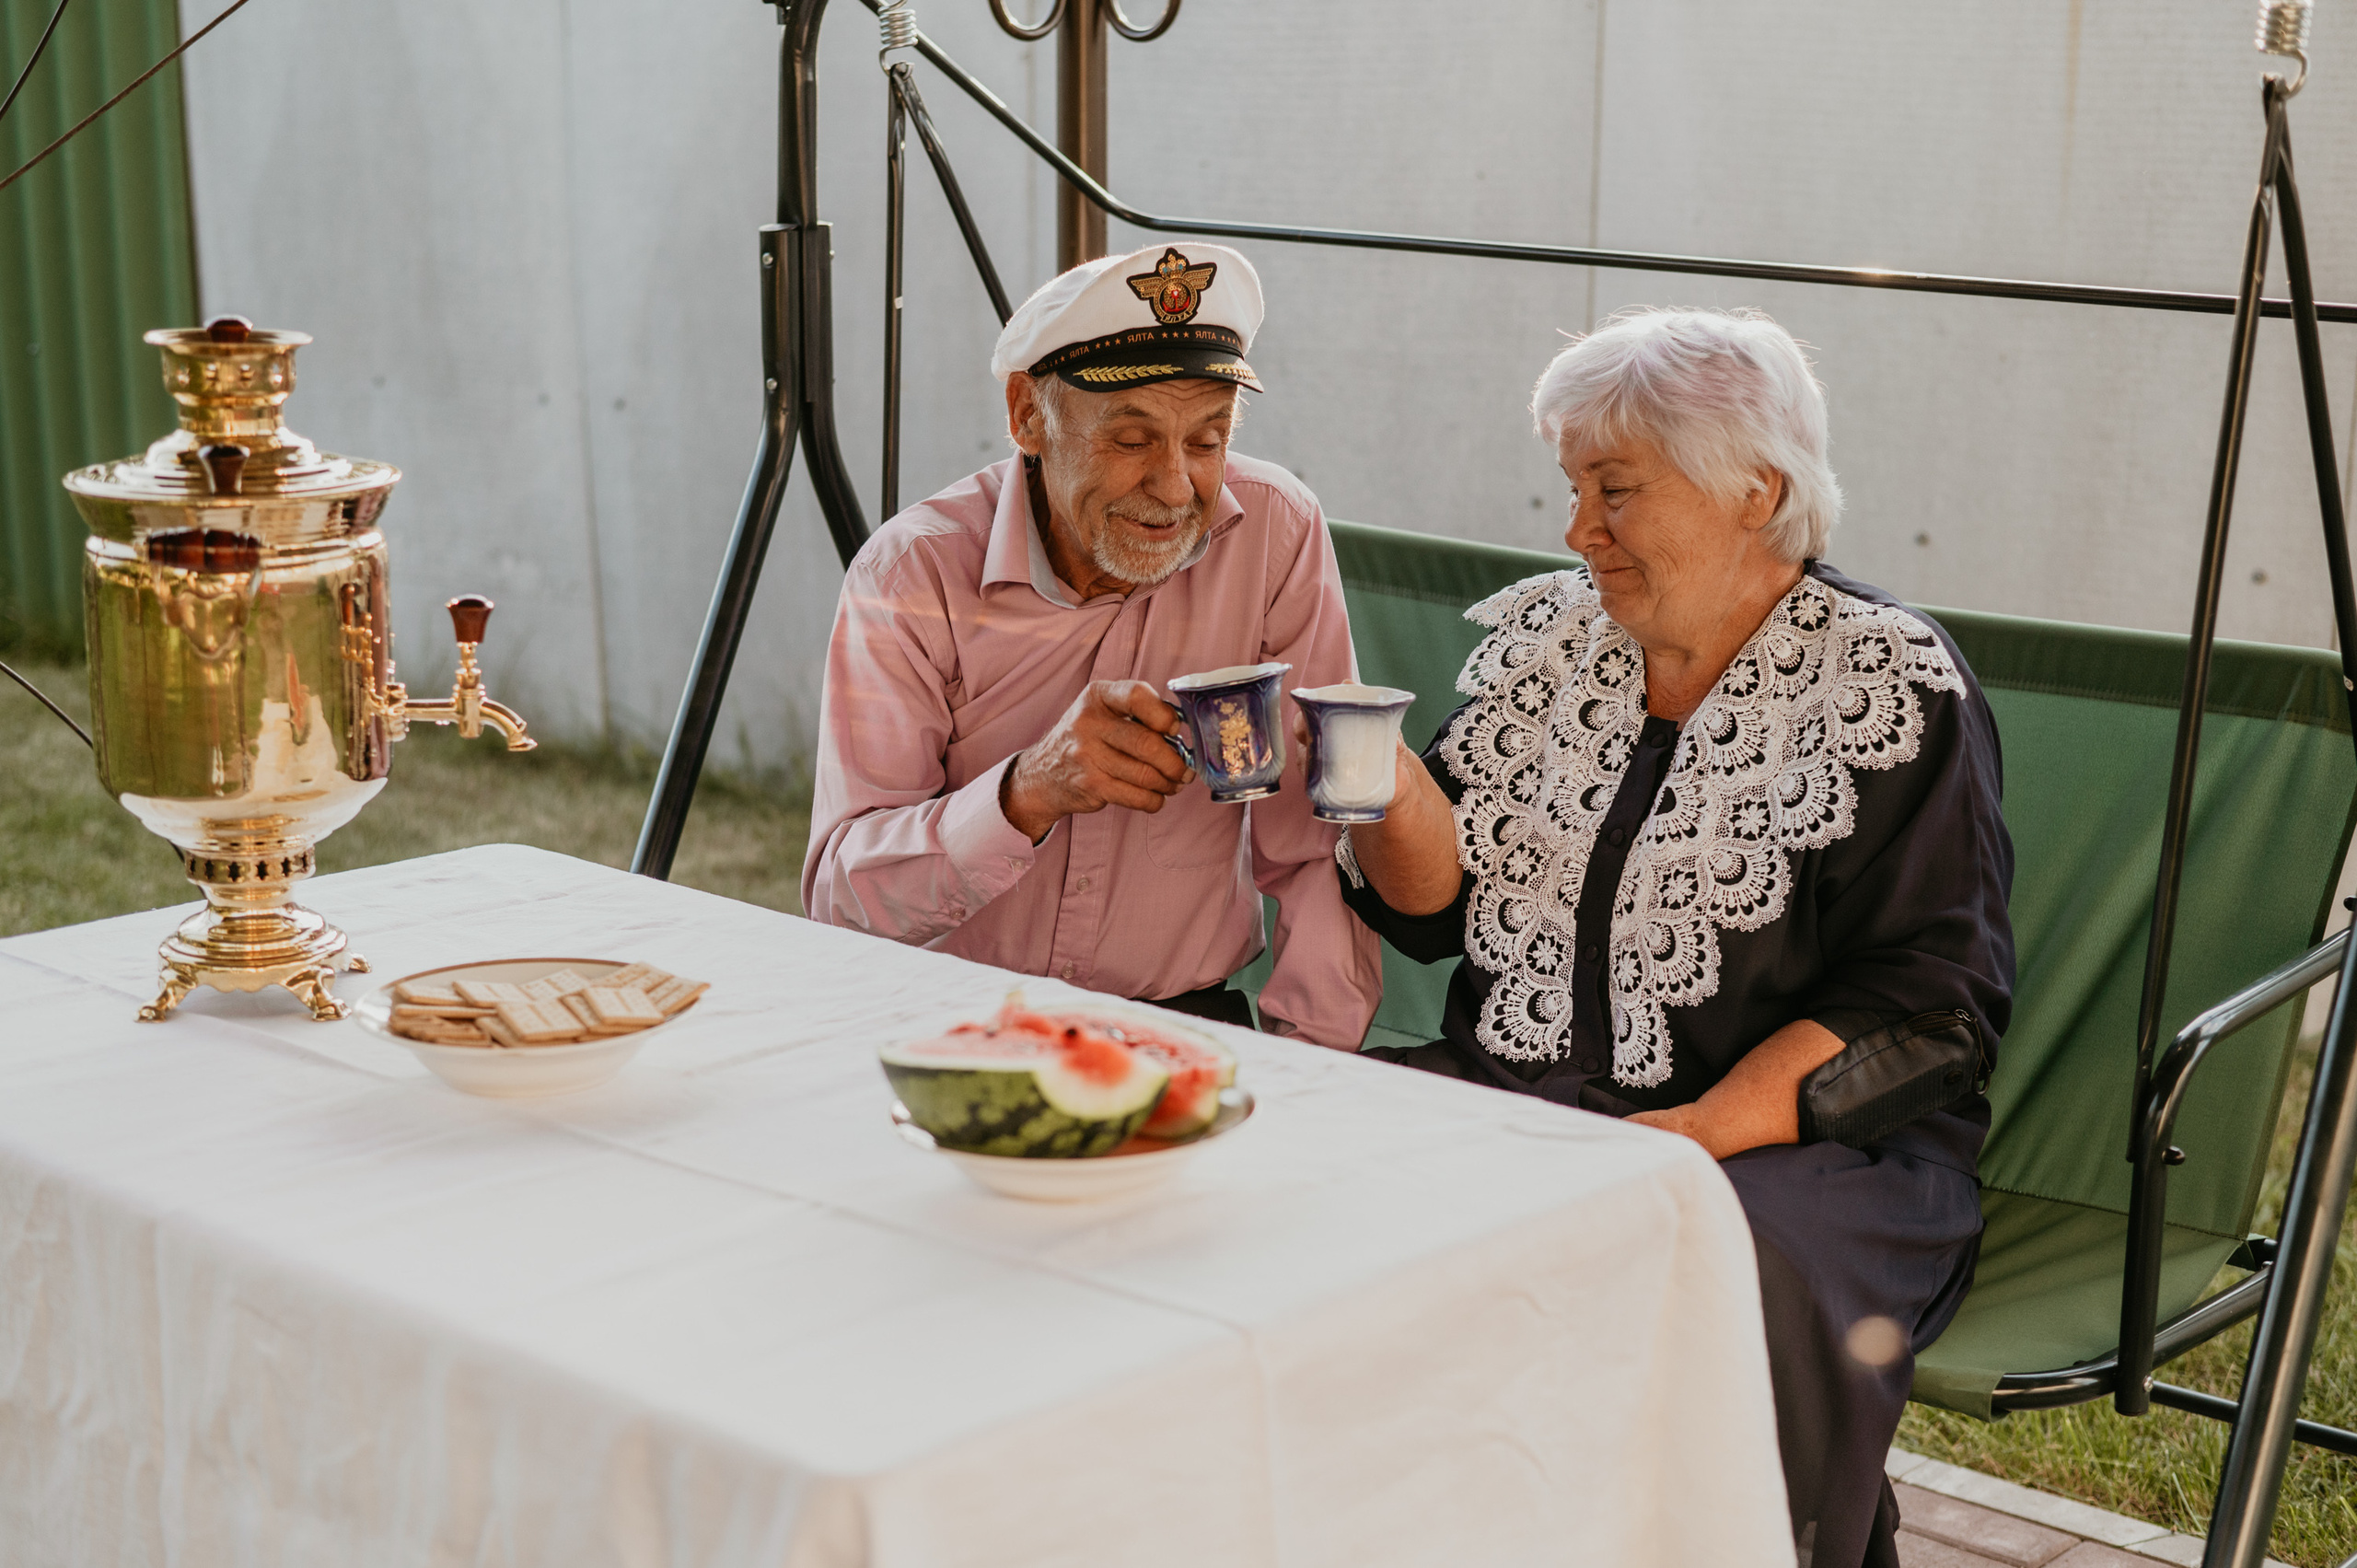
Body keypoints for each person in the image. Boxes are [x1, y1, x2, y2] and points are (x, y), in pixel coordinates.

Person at [1333, 307, 2014, 1567]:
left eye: (1615, 490)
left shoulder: (1883, 679)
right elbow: (1427, 914)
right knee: (1313, 1177)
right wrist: (1373, 778)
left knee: (1693, 1261)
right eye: (1572, 489)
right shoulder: (1551, 641)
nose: (1577, 530)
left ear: (1756, 490)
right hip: (1519, 1092)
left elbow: (1928, 1005)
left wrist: (1687, 1138)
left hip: (1807, 1156)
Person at [804, 242, 1381, 1047]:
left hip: (1183, 1023)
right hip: (953, 1026)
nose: (1175, 488)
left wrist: (1316, 1063)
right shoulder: (912, 573)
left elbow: (1315, 841)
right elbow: (842, 896)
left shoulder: (1277, 532)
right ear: (1027, 416)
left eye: (1207, 440)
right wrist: (1024, 793)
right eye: (1132, 440)